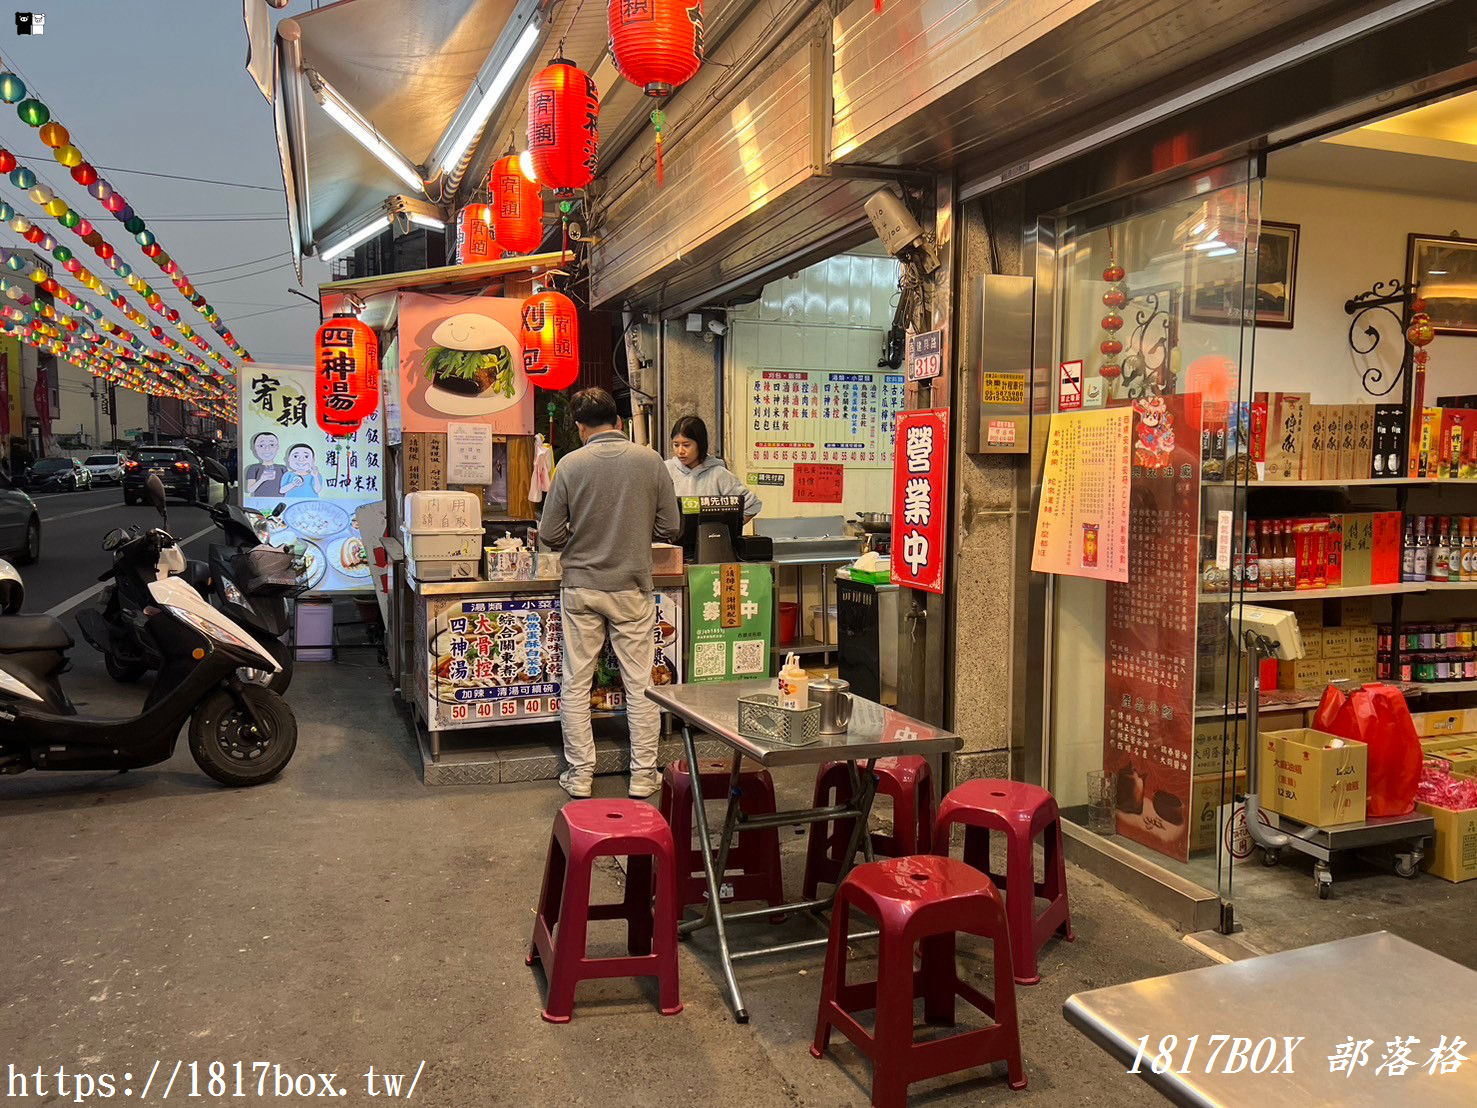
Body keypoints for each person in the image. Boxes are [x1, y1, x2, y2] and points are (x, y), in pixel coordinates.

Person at [539, 388, 680, 799]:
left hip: (581, 587)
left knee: (577, 681)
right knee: (640, 684)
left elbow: (549, 534)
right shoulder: (650, 461)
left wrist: (579, 536)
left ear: (581, 427)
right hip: (632, 588)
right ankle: (641, 775)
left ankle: (581, 775)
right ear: (619, 422)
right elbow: (671, 527)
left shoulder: (569, 464)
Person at [666, 414, 762, 521]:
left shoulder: (718, 474)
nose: (680, 451)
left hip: (710, 536)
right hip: (674, 538)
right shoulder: (666, 470)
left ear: (700, 443)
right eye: (676, 445)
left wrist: (729, 528)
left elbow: (752, 504)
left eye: (686, 445)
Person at [244, 431, 285, 497]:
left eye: (271, 445)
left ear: (277, 447)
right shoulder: (253, 468)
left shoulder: (282, 468)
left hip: (280, 501)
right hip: (260, 502)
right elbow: (250, 489)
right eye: (261, 445)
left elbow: (286, 489)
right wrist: (262, 479)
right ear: (254, 447)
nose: (267, 449)